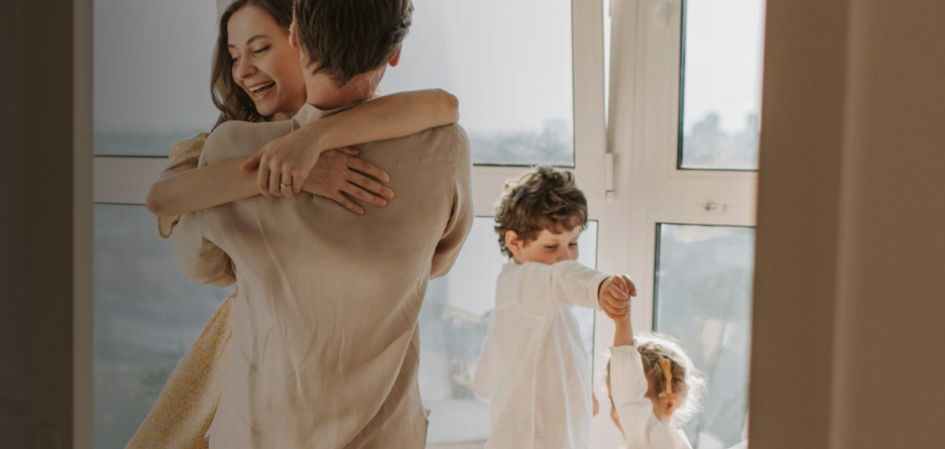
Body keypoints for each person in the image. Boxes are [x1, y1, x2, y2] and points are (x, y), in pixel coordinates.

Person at [124, 0, 461, 447]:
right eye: (233, 55)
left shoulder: (228, 145)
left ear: (296, 35)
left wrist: (310, 142)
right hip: (384, 429)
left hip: (264, 425)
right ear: (393, 50)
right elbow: (438, 261)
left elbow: (201, 267)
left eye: (259, 48)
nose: (242, 70)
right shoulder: (442, 144)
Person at [471, 166, 636, 449]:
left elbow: (486, 378)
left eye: (573, 243)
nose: (565, 256)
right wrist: (598, 286)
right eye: (551, 247)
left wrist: (581, 394)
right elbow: (563, 277)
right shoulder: (524, 283)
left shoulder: (528, 299)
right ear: (514, 243)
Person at [605, 306, 705, 449]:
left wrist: (622, 323)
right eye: (613, 401)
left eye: (636, 401)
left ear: (668, 404)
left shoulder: (661, 441)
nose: (617, 412)